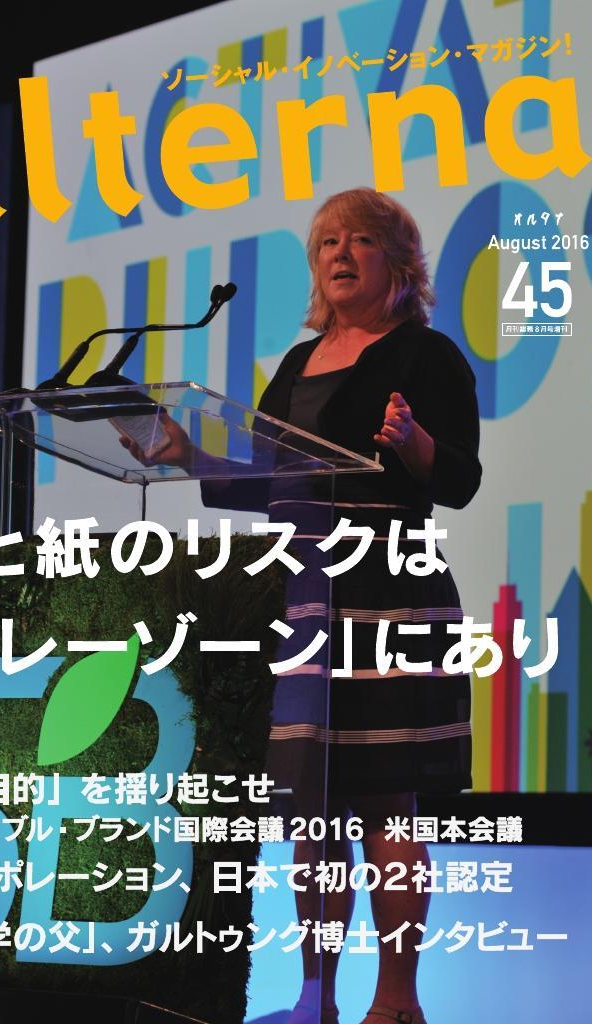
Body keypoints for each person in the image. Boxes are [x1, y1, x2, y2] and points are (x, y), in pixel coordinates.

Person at [121, 187, 481, 1024]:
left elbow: (459, 479)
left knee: (385, 800)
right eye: (326, 242)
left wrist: (414, 445)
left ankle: (395, 1002)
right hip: (304, 599)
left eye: (360, 240)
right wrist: (191, 457)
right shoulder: (296, 363)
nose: (340, 253)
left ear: (400, 262)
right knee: (311, 809)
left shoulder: (426, 355)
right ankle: (314, 995)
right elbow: (274, 478)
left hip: (385, 592)